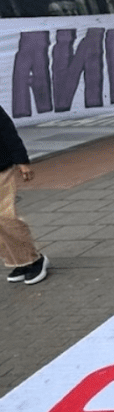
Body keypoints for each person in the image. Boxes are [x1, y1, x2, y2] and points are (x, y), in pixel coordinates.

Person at [2, 106, 48, 285]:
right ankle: (19, 261)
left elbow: (6, 131)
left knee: (5, 217)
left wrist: (21, 161)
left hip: (1, 169)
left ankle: (34, 259)